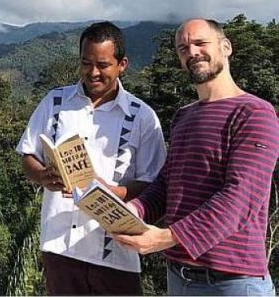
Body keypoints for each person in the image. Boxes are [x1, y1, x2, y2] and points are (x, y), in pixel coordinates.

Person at [115, 18, 279, 296]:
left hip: (233, 282)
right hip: (179, 278)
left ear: (226, 47)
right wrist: (134, 210)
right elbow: (168, 184)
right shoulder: (184, 116)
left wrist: (165, 238)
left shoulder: (255, 113)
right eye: (183, 48)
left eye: (201, 43)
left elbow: (240, 199)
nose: (191, 52)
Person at [16, 21, 167, 295]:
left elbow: (155, 183)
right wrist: (42, 175)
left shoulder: (142, 116)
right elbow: (28, 153)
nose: (93, 72)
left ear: (122, 64)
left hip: (117, 252)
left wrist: (114, 192)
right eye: (86, 63)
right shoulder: (55, 102)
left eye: (103, 65)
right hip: (59, 245)